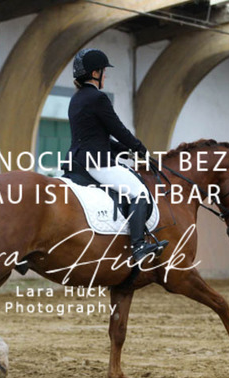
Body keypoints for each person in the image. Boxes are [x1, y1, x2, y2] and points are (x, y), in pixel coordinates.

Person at [68, 48, 166, 263]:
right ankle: (139, 246)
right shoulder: (98, 98)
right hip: (96, 163)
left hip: (76, 161)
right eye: (104, 71)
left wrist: (126, 151)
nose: (106, 76)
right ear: (95, 73)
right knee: (139, 193)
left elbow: (98, 137)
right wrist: (140, 148)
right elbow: (117, 129)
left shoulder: (76, 99)